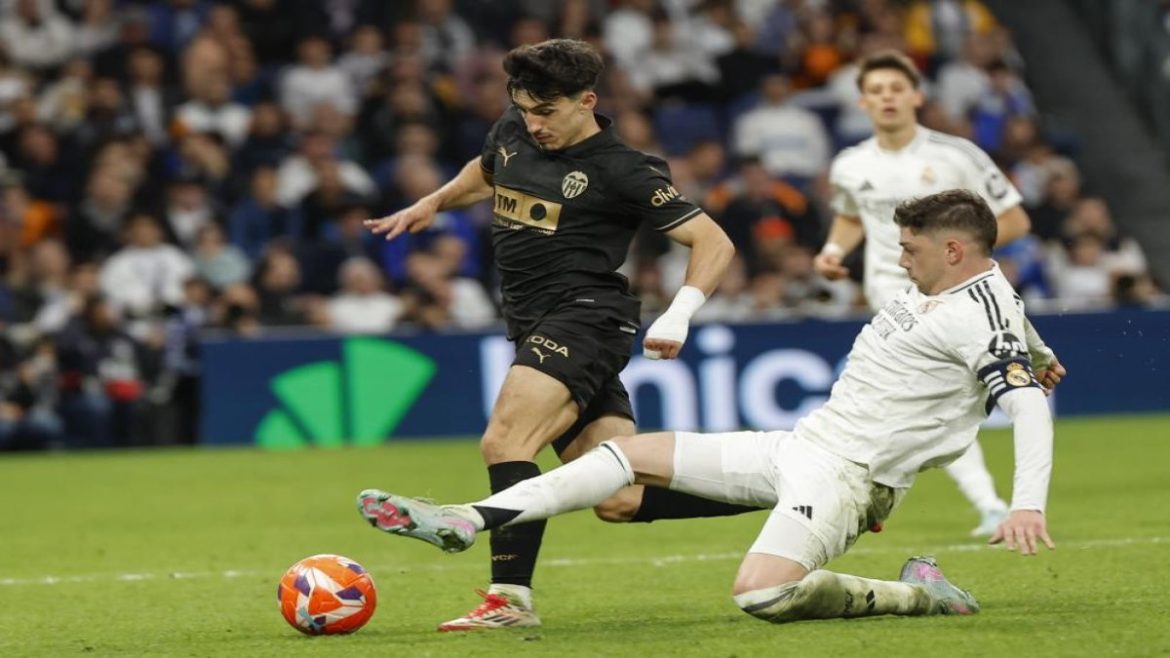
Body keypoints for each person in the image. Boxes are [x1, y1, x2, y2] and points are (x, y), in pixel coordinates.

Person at [359, 189, 1063, 625]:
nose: (901, 260)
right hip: (802, 443)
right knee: (623, 455)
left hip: (852, 478)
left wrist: (1026, 503)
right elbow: (1004, 311)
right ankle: (466, 518)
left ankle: (917, 594)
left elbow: (1028, 407)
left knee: (761, 596)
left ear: (953, 249)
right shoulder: (971, 291)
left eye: (910, 250)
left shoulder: (974, 313)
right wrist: (1037, 349)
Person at [362, 38, 739, 631]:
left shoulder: (624, 168)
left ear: (586, 101)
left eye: (547, 111)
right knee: (618, 496)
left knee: (505, 439)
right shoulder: (515, 128)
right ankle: (798, 493)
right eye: (524, 109)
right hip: (533, 322)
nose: (534, 123)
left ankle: (508, 599)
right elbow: (487, 172)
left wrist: (680, 311)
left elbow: (713, 241)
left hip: (587, 316)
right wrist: (432, 202)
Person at [816, 49, 1040, 537]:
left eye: (896, 88)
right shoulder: (850, 165)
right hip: (892, 296)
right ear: (862, 103)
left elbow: (1016, 219)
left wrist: (958, 254)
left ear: (916, 96)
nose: (887, 98)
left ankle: (892, 494)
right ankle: (967, 502)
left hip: (953, 294)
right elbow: (851, 215)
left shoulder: (957, 156)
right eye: (876, 91)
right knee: (921, 403)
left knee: (929, 403)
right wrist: (833, 250)